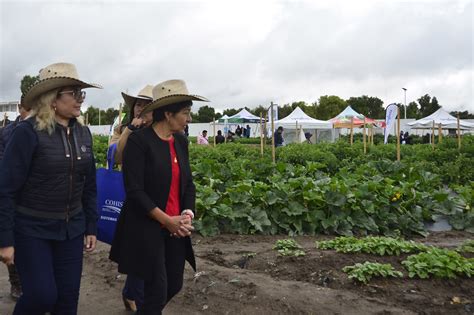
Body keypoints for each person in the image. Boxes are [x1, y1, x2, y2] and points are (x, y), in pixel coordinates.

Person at [0, 62, 100, 314]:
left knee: (67, 300)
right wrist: (5, 239)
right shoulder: (27, 133)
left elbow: (88, 185)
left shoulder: (83, 134)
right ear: (53, 99)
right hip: (32, 230)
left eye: (82, 94)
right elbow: (6, 188)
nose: (80, 100)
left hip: (71, 230)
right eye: (74, 94)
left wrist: (90, 225)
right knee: (42, 296)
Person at [110, 79, 207, 314]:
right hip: (147, 227)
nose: (189, 119)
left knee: (174, 284)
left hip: (175, 228)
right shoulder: (139, 142)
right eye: (185, 113)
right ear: (168, 114)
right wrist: (166, 220)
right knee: (156, 288)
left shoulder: (181, 142)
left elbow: (188, 183)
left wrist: (186, 213)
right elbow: (135, 191)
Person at [109, 85, 154, 312]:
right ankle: (134, 293)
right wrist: (130, 131)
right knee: (139, 244)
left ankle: (132, 292)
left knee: (148, 247)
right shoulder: (121, 129)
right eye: (138, 104)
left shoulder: (161, 132)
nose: (141, 108)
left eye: (147, 105)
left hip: (156, 195)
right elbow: (116, 156)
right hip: (133, 194)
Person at [0, 99, 31, 300]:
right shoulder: (7, 132)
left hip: (32, 194)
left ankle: (28, 281)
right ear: (20, 109)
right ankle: (16, 282)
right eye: (27, 108)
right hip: (12, 190)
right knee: (10, 237)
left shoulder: (43, 129)